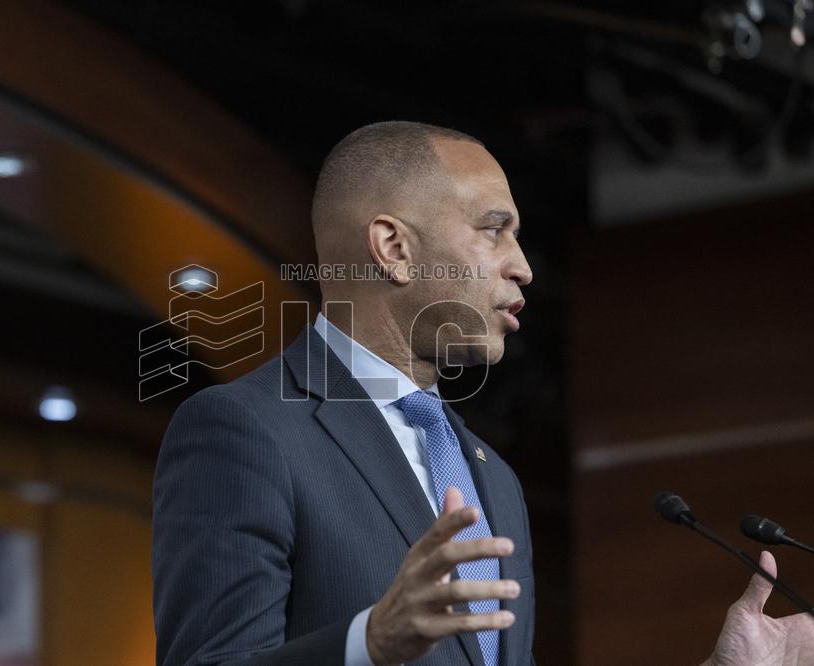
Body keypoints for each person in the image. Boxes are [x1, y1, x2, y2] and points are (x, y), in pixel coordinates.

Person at [151, 121, 814, 665]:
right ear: (393, 247)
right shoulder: (244, 430)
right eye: (494, 228)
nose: (522, 264)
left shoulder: (492, 481)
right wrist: (368, 643)